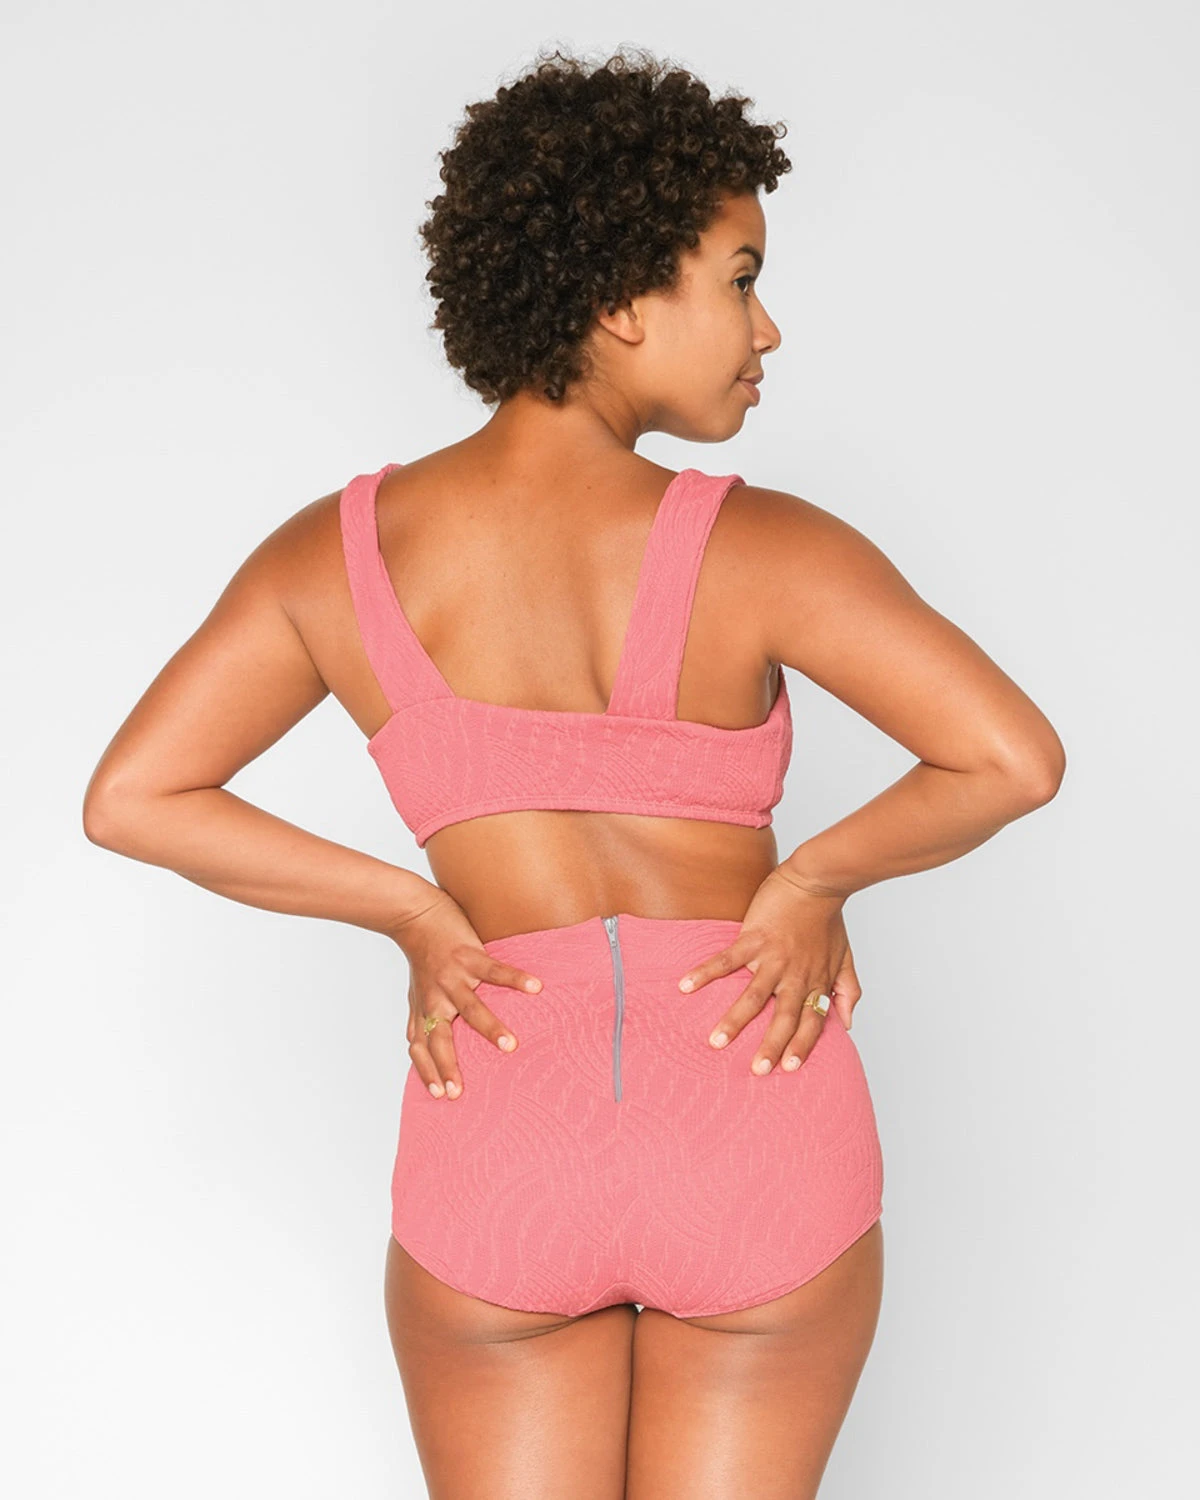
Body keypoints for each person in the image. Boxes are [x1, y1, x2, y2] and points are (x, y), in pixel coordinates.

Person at [82, 46, 1065, 1500]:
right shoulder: (767, 545)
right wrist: (812, 882)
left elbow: (133, 798)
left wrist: (414, 912)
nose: (768, 326)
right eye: (740, 279)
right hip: (751, 1107)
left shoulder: (332, 559)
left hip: (502, 1124)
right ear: (619, 302)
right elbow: (1011, 758)